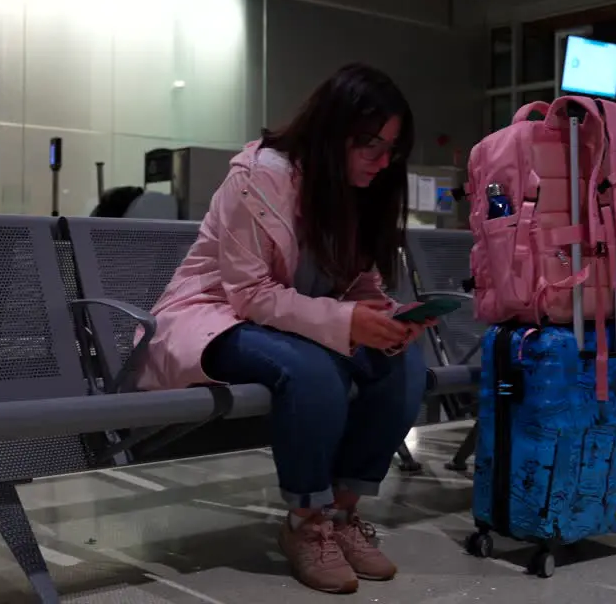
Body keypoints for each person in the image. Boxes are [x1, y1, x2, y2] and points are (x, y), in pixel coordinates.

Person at [137, 64, 433, 594]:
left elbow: (358, 283)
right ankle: (306, 523)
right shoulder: (259, 176)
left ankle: (342, 515)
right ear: (331, 129)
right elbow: (248, 294)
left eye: (392, 148)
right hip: (213, 316)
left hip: (292, 324)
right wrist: (346, 321)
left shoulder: (355, 191)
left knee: (403, 360)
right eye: (371, 144)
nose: (383, 161)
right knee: (312, 370)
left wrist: (384, 319)